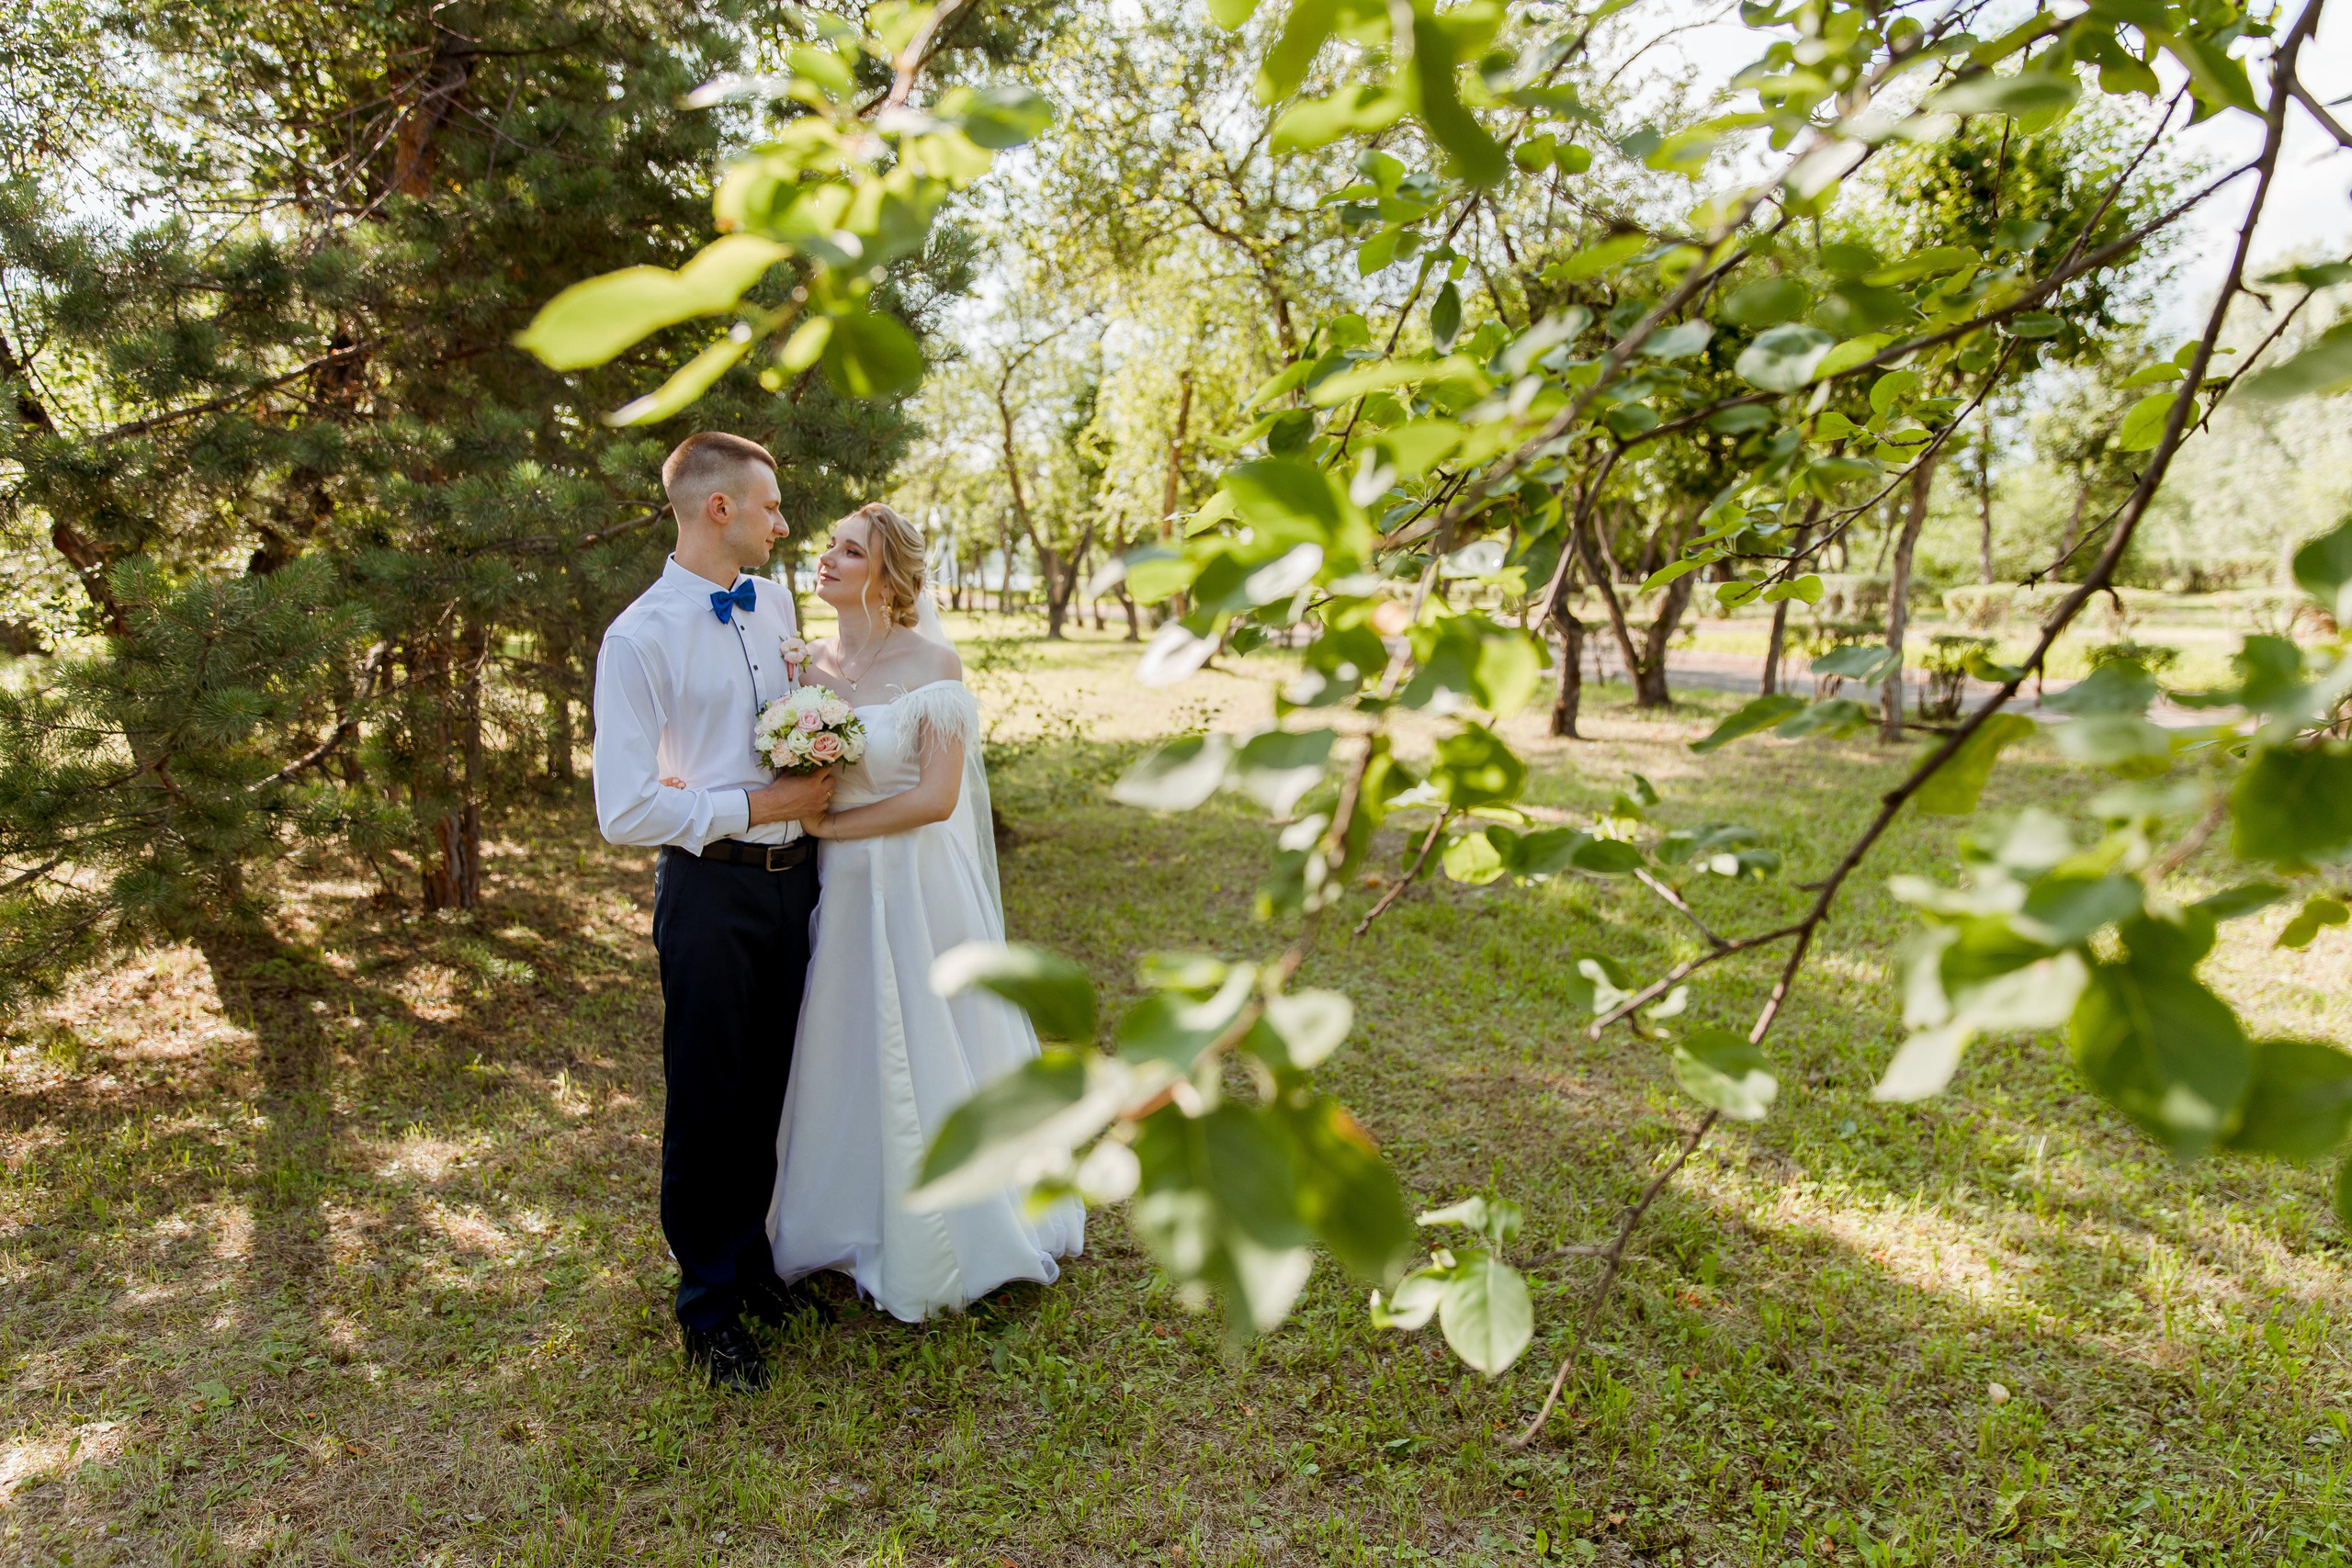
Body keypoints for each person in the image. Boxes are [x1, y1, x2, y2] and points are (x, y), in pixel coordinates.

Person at [768, 502, 1083, 1321]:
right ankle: (845, 1213)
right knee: (846, 1034)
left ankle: (959, 1220)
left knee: (935, 1030)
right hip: (839, 886)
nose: (826, 560)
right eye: (827, 545)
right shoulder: (806, 668)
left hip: (917, 879)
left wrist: (835, 825)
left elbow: (937, 797)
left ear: (888, 574)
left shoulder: (934, 663)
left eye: (849, 550)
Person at [591, 432, 833, 1393]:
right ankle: (707, 1310)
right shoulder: (638, 635)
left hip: (798, 880)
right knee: (707, 1097)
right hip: (710, 886)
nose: (784, 522)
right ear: (718, 509)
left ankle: (754, 1268)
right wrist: (753, 806)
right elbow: (625, 808)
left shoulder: (775, 602)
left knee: (770, 1084)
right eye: (770, 506)